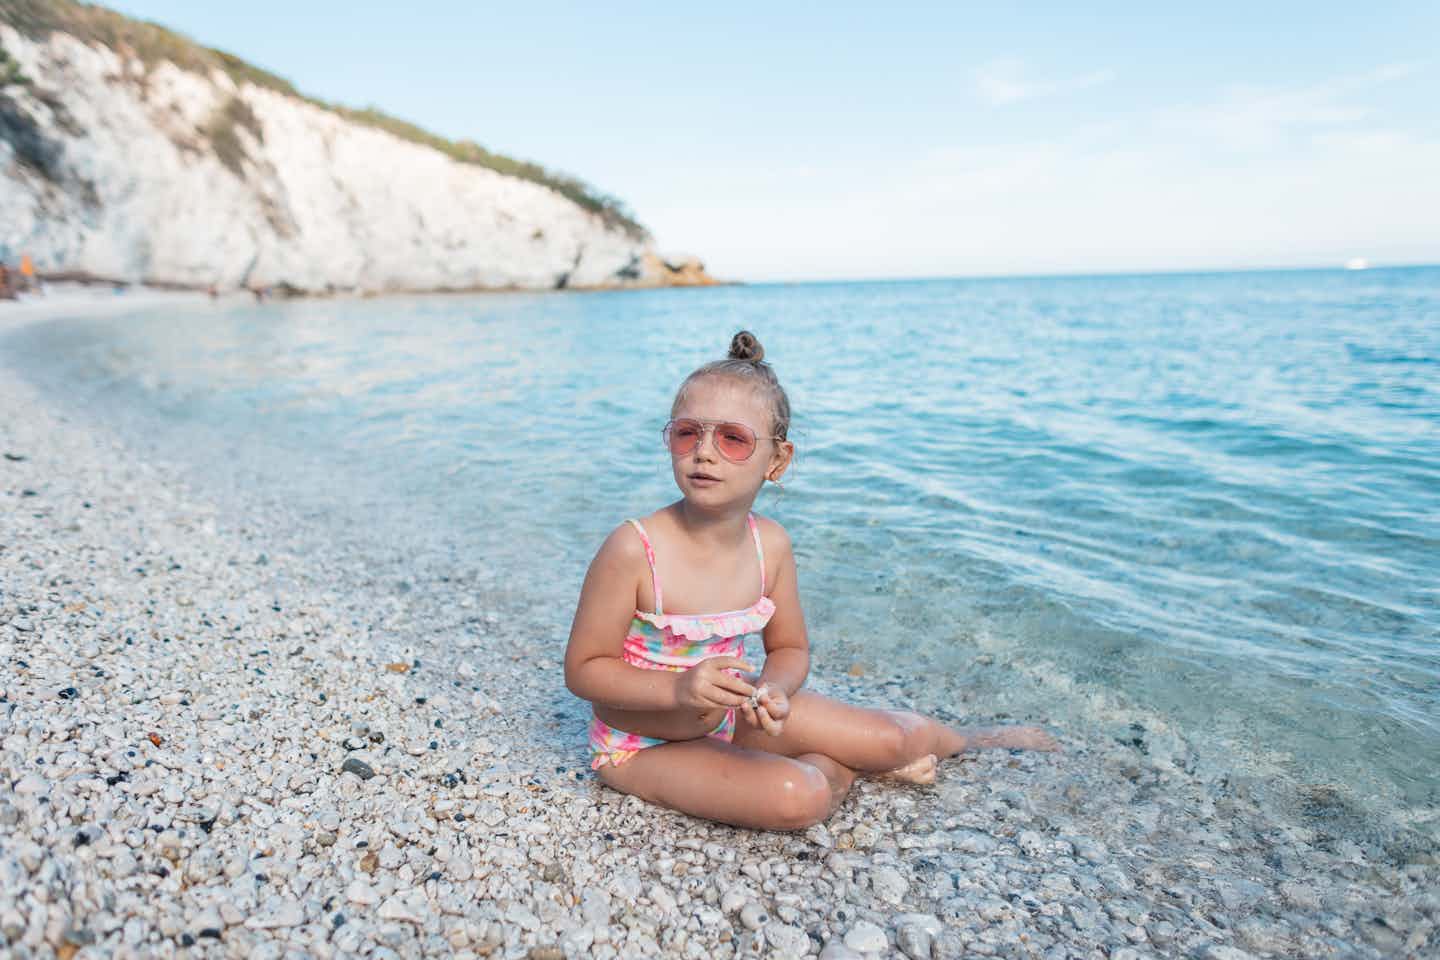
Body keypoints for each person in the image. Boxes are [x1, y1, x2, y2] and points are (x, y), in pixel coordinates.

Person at [564, 331, 1058, 831]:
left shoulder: (770, 546)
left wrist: (773, 693)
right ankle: (842, 772)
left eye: (733, 439)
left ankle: (970, 739)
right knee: (797, 796)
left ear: (777, 461)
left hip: (732, 715)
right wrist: (679, 689)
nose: (704, 452)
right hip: (643, 745)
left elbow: (789, 649)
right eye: (687, 433)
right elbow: (584, 670)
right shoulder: (634, 549)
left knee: (896, 738)